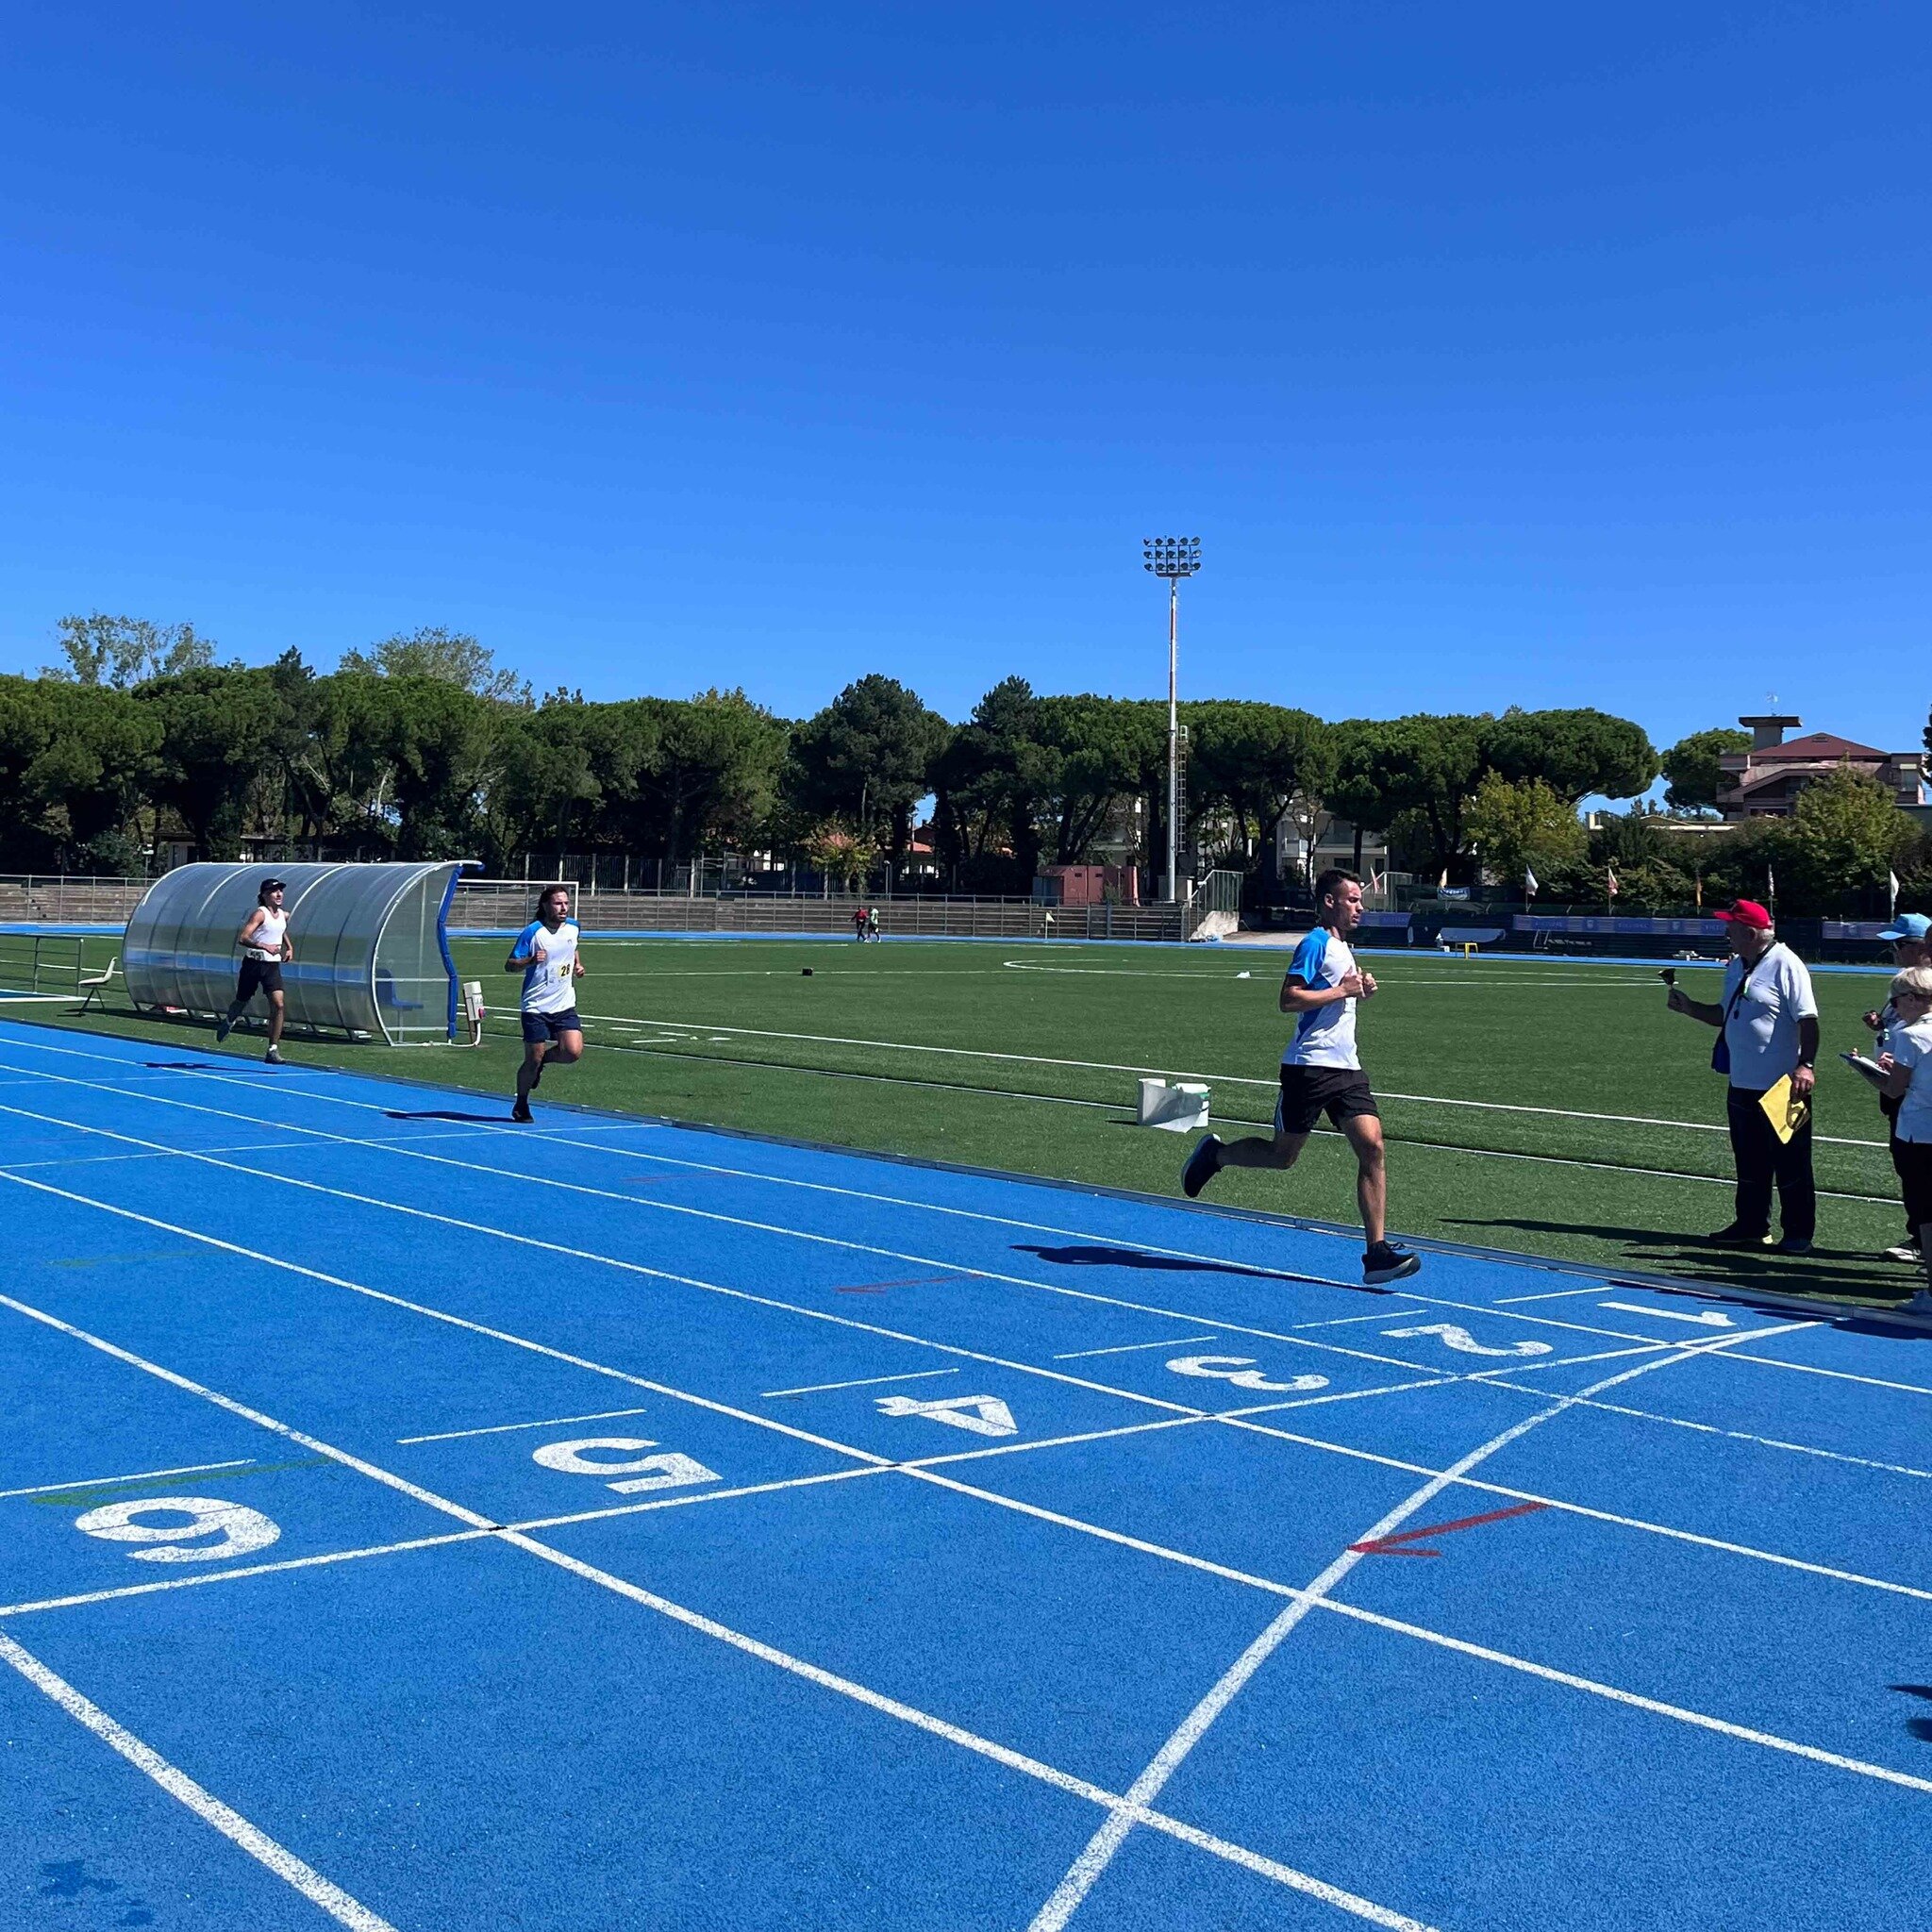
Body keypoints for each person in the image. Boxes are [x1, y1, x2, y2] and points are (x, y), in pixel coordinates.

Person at [1179, 866, 1421, 1286]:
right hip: (1308, 1067)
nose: (1360, 907)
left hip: (1346, 1067)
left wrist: (1358, 987)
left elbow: (1335, 994)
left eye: (1360, 900)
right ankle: (1215, 1155)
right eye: (1352, 900)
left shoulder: (1343, 947)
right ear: (1330, 902)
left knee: (1374, 1148)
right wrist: (1343, 991)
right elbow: (1288, 999)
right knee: (1283, 1156)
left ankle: (1376, 1253)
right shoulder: (1314, 943)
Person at [1667, 898, 1818, 1253]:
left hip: (1784, 1085)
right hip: (1742, 1080)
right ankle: (1751, 1224)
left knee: (1792, 1162)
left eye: (1730, 928)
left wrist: (1805, 1064)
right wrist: (1689, 1008)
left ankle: (1798, 1232)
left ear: (1750, 932)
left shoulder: (1786, 964)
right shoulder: (1737, 965)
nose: (1725, 934)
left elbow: (1808, 1020)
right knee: (1749, 1160)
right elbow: (1724, 1014)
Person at [1862, 913, 1932, 1262]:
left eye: (1900, 944)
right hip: (1903, 1082)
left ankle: (1922, 1239)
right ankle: (1919, 1234)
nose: (1894, 951)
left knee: (1919, 1171)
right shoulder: (1907, 985)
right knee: (1909, 1168)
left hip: (1913, 1095)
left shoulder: (1919, 988)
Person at [1874, 966, 1932, 1314]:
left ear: (1912, 999)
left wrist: (1869, 1070)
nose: (1894, 1009)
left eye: (1897, 1001)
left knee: (1927, 1216)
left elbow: (1895, 1088)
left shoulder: (1912, 1036)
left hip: (1920, 1132)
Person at [507, 884, 585, 1123]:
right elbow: (509, 965)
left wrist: (577, 965)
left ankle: (541, 1065)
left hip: (564, 1004)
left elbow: (572, 947)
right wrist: (529, 960)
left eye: (566, 903)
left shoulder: (574, 927)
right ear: (545, 905)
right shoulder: (533, 932)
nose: (563, 908)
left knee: (572, 1051)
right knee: (533, 1057)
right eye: (557, 903)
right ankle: (521, 1103)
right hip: (536, 1006)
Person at [215, 877, 292, 1063]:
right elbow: (243, 937)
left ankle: (272, 1049)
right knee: (242, 1000)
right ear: (265, 895)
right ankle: (230, 1020)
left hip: (271, 966)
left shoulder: (284, 915)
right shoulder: (260, 914)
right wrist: (263, 946)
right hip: (253, 963)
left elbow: (280, 930)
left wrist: (289, 947)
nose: (279, 894)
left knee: (278, 1004)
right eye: (274, 891)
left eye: (280, 890)